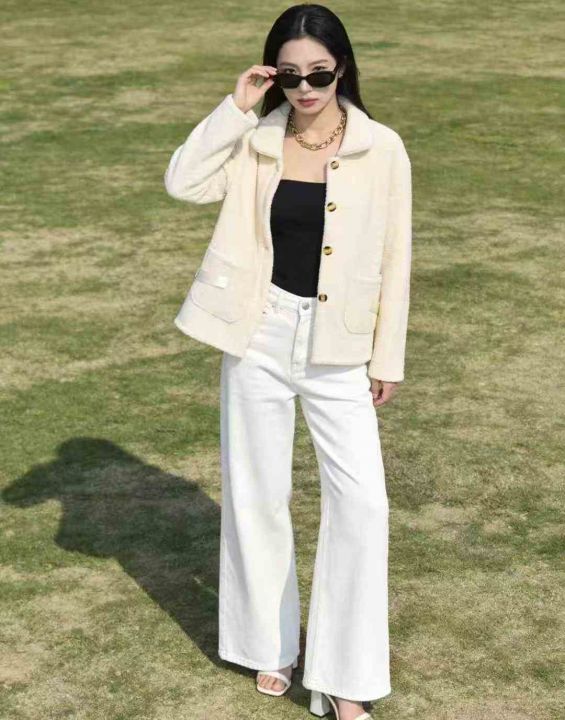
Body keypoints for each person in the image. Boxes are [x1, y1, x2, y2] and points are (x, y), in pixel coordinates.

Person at [163, 5, 412, 718]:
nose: (306, 88)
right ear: (274, 74)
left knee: (361, 504)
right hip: (259, 333)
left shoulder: (382, 148)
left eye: (320, 74)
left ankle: (344, 675)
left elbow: (395, 258)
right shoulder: (255, 138)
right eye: (291, 75)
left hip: (340, 347)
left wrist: (386, 357)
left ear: (342, 69)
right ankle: (267, 643)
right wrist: (236, 106)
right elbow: (183, 182)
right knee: (256, 493)